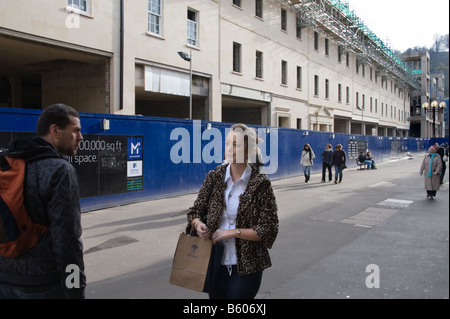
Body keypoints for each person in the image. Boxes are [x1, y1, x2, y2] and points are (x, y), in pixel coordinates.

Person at [0, 104, 86, 299]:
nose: (80, 138)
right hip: (40, 285)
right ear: (55, 130)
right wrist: (75, 288)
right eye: (76, 131)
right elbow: (67, 240)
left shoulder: (8, 161)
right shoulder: (60, 170)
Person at [186, 123, 279, 299]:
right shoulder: (214, 177)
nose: (229, 149)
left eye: (236, 145)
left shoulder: (260, 184)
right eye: (228, 143)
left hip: (247, 263)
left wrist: (232, 233)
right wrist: (198, 224)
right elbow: (194, 211)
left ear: (249, 150)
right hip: (215, 261)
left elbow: (269, 228)